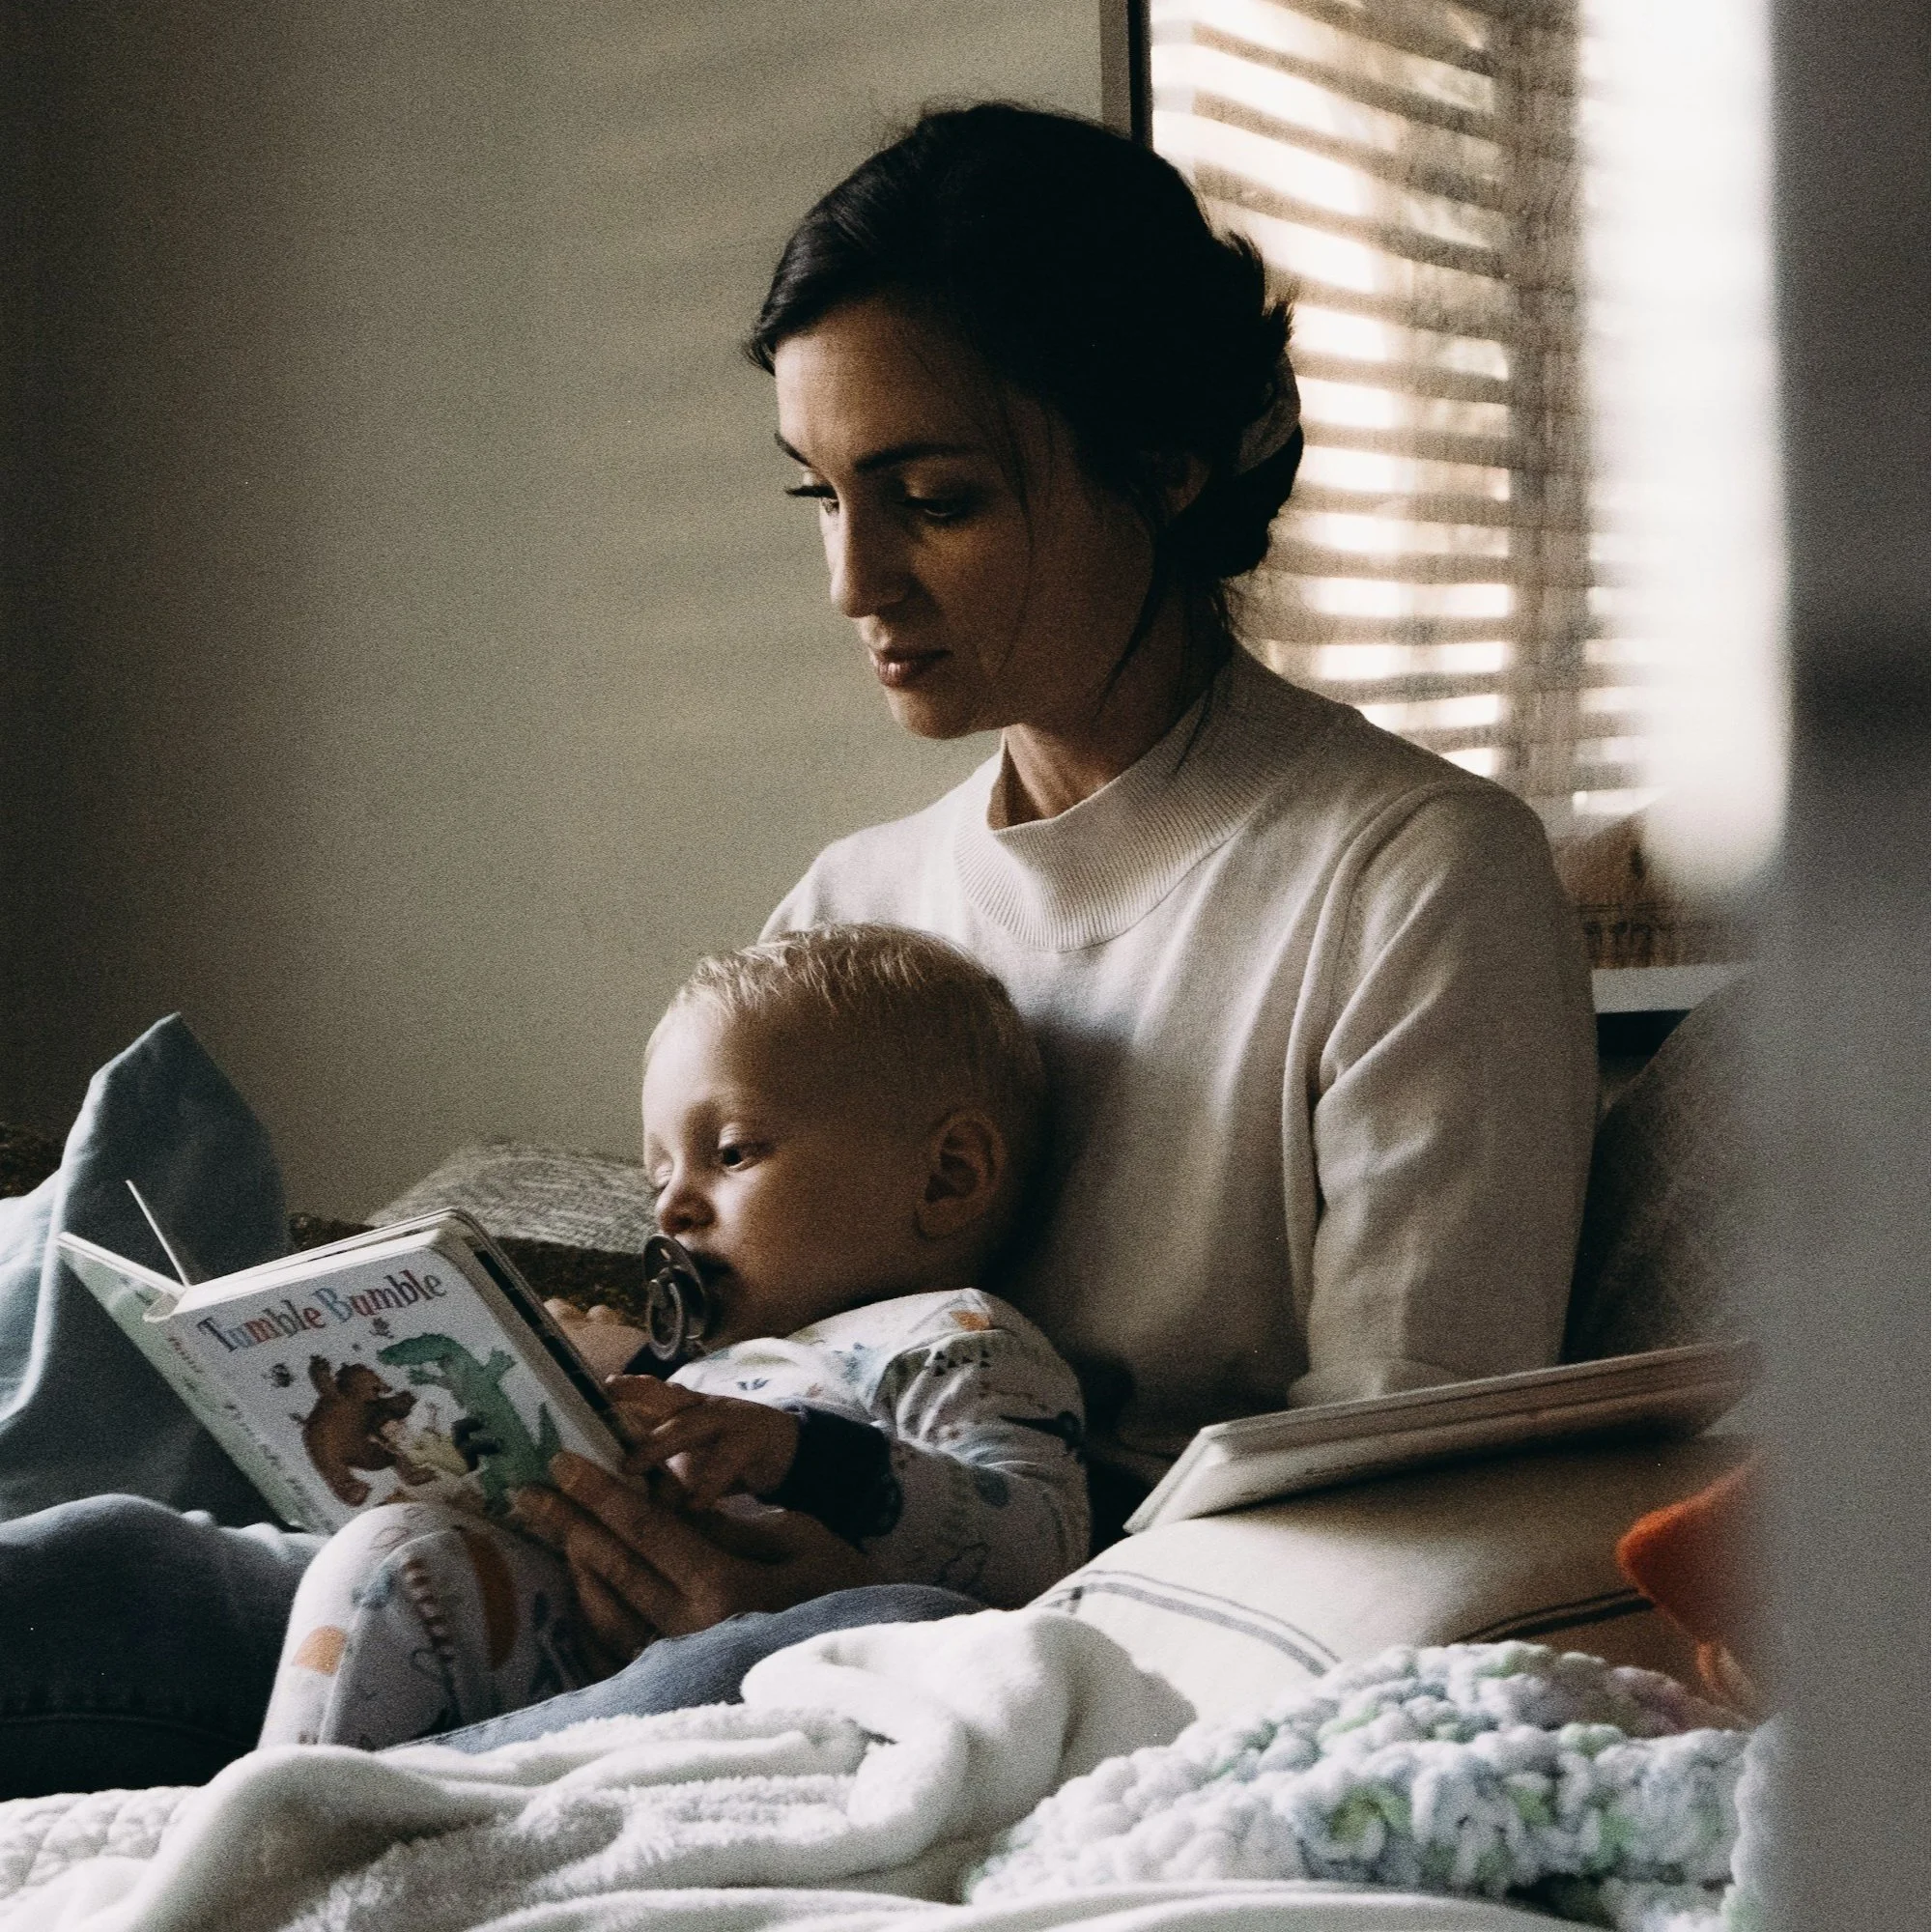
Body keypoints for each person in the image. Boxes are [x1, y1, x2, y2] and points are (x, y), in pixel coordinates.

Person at [0, 101, 1595, 1796]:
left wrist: (873, 1595)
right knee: (104, 1567)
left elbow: (1398, 1504)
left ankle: (353, 1816)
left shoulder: (1411, 881)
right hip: (655, 1577)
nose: (854, 579)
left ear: (1169, 465)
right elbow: (718, 1330)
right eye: (820, 496)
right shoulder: (858, 903)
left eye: (936, 499)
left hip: (1039, 1644)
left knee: (690, 1686)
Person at [257, 924, 1087, 1749]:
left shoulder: (958, 1336)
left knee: (394, 1559)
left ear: (947, 1178)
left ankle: (297, 1817)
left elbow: (1041, 1550)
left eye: (730, 1152)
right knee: (202, 1546)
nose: (669, 1207)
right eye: (661, 1176)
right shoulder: (702, 1360)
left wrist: (801, 1455)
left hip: (653, 1684)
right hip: (526, 1629)